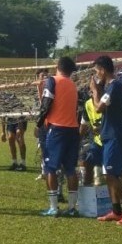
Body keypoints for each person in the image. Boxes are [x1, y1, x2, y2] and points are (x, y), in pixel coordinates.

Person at [90, 55, 122, 225]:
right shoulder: (112, 87)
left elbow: (98, 108)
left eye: (97, 70)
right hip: (108, 135)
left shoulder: (113, 87)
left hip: (114, 136)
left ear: (103, 70)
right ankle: (116, 210)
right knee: (109, 175)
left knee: (112, 175)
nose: (96, 74)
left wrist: (95, 91)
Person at [37, 57, 80, 217]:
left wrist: (39, 123)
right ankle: (71, 208)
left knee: (50, 168)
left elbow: (46, 103)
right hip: (73, 129)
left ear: (57, 67)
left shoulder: (52, 81)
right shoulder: (72, 84)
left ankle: (54, 208)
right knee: (70, 169)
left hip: (56, 129)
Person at [0, 91, 28, 171]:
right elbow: (3, 117)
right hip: (11, 118)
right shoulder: (2, 104)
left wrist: (19, 131)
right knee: (10, 138)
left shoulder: (14, 102)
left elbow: (20, 117)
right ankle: (14, 162)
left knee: (19, 139)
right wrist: (3, 132)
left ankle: (23, 163)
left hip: (20, 118)